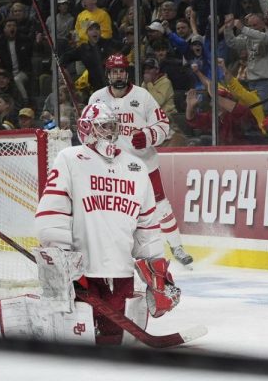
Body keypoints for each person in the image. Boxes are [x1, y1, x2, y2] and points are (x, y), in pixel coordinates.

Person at [31, 102, 180, 345]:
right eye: (103, 128)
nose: (110, 134)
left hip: (121, 271)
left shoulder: (136, 167)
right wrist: (61, 261)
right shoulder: (71, 158)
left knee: (114, 339)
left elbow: (147, 225)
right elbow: (52, 212)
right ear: (86, 128)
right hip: (82, 273)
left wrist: (157, 271)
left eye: (113, 127)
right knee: (82, 340)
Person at [87, 54, 194, 266]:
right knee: (113, 208)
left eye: (122, 71)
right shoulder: (96, 99)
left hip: (144, 164)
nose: (118, 75)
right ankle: (115, 250)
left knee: (161, 205)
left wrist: (148, 136)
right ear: (108, 74)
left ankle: (177, 247)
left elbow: (163, 126)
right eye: (114, 71)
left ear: (127, 73)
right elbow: (86, 131)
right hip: (111, 166)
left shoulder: (142, 96)